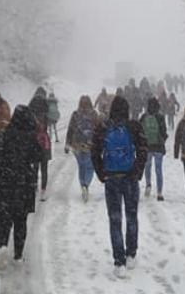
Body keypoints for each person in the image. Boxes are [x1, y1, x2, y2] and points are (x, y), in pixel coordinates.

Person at [91, 96, 148, 278]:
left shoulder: (103, 127)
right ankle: (131, 254)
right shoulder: (134, 126)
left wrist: (102, 174)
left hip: (112, 179)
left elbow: (94, 152)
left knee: (115, 219)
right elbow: (143, 150)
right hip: (130, 178)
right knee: (132, 216)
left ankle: (119, 261)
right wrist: (137, 172)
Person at [0, 105, 44, 268]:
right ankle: (18, 255)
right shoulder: (30, 138)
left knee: (2, 219)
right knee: (20, 220)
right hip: (23, 185)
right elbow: (39, 155)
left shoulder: (2, 136)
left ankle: (3, 245)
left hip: (3, 184)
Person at [65, 95, 100, 202]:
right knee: (90, 166)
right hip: (90, 144)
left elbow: (70, 129)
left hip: (77, 144)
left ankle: (82, 184)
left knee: (81, 166)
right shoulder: (94, 114)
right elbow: (99, 130)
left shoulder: (75, 114)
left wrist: (67, 143)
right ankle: (86, 184)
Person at [140, 97, 169, 200]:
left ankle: (148, 184)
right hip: (158, 147)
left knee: (147, 167)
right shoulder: (160, 117)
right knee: (158, 169)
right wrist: (162, 141)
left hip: (148, 147)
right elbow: (164, 131)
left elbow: (139, 131)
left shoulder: (144, 116)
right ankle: (159, 192)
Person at [29, 87, 52, 200]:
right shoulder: (45, 104)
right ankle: (43, 189)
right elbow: (48, 121)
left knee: (34, 166)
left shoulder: (31, 104)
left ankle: (34, 186)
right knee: (44, 167)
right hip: (44, 140)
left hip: (33, 140)